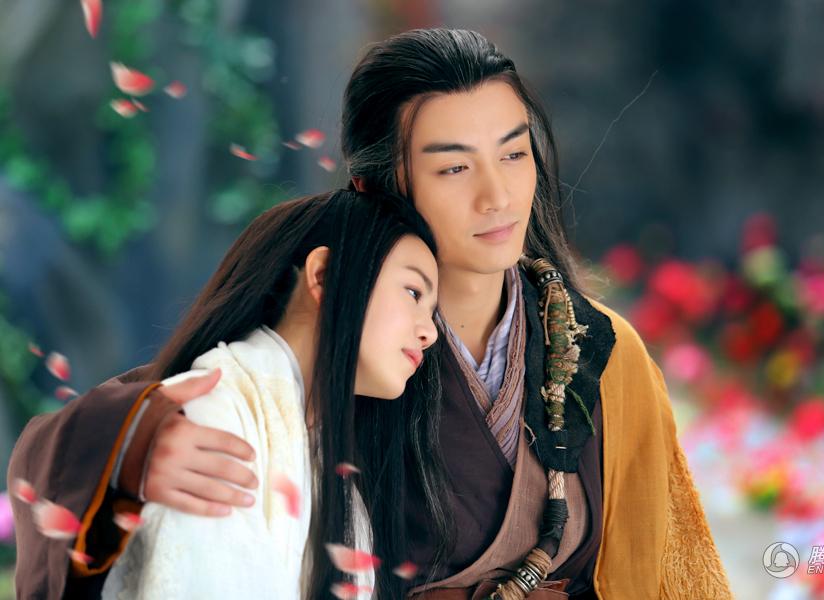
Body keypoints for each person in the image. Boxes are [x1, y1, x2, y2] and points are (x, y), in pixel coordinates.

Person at [9, 28, 733, 599]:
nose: (498, 196)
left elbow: (670, 573)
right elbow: (61, 448)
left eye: (514, 155)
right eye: (454, 167)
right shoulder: (350, 349)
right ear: (378, 184)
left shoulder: (603, 350)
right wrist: (137, 451)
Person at [10, 190, 442, 600]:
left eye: (432, 311)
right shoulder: (210, 415)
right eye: (413, 292)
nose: (430, 332)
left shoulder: (331, 466)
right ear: (324, 275)